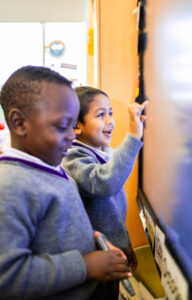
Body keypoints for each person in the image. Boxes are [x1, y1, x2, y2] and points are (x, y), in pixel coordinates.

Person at [0, 66, 132, 300]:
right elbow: (8, 276)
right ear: (19, 123)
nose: (72, 135)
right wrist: (86, 265)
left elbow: (58, 225)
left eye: (73, 125)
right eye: (62, 126)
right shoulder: (11, 185)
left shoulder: (51, 166)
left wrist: (96, 238)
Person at [62, 86, 148, 273]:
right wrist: (133, 137)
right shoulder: (73, 157)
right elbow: (105, 182)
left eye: (110, 113)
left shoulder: (102, 151)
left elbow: (115, 169)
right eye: (101, 115)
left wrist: (124, 241)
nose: (110, 121)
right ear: (77, 125)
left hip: (113, 244)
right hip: (96, 254)